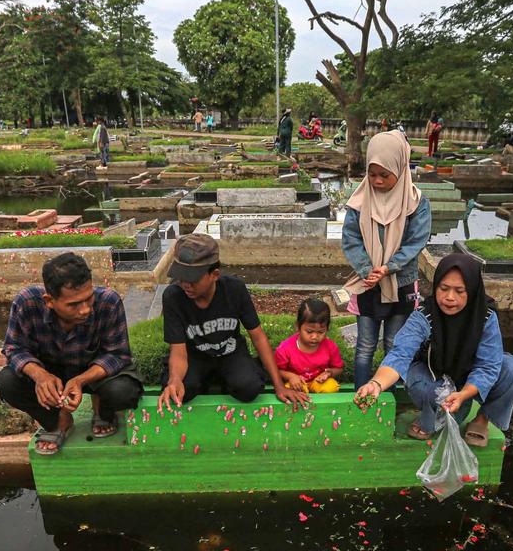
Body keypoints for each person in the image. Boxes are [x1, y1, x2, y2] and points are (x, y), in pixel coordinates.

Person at [354, 253, 513, 446]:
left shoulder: (485, 316)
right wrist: (376, 384)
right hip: (432, 372)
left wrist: (464, 394)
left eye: (459, 291)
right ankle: (430, 417)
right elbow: (400, 354)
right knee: (425, 390)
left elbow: (488, 365)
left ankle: (482, 419)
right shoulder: (424, 315)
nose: (449, 298)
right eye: (443, 288)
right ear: (435, 285)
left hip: (468, 375)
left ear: (472, 291)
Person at [0, 252, 144, 455]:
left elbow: (118, 355)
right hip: (52, 369)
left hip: (94, 371)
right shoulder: (27, 302)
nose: (84, 310)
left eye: (88, 299)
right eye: (73, 304)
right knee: (7, 382)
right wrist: (40, 375)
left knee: (124, 391)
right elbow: (14, 348)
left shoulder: (108, 301)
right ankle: (57, 420)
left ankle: (102, 408)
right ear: (49, 301)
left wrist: (81, 380)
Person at [158, 233, 310, 411]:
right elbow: (178, 351)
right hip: (194, 356)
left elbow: (258, 337)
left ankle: (229, 377)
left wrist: (279, 386)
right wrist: (175, 380)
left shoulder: (234, 289)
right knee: (183, 390)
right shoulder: (173, 296)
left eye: (192, 279)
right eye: (181, 277)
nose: (186, 284)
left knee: (249, 388)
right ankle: (202, 381)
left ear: (214, 274)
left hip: (230, 351)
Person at [341, 130, 432, 388]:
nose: (377, 181)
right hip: (368, 282)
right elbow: (351, 239)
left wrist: (390, 267)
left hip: (401, 282)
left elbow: (416, 241)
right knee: (365, 346)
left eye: (384, 175)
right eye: (372, 174)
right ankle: (360, 396)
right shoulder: (359, 202)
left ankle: (387, 396)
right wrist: (367, 269)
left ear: (401, 170)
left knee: (394, 344)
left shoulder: (416, 203)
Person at [275, 298, 344, 394]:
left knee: (331, 387)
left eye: (321, 332)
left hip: (319, 382)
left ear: (327, 328)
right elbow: (277, 370)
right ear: (297, 326)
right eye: (309, 331)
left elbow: (339, 369)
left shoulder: (330, 347)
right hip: (297, 383)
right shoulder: (285, 348)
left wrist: (329, 373)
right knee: (291, 389)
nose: (315, 337)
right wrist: (291, 377)